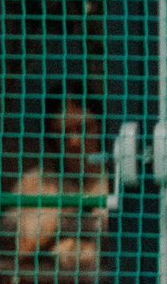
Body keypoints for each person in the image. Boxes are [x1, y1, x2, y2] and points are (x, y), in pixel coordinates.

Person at [8, 92, 108, 274]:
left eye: (84, 128)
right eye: (64, 133)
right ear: (51, 138)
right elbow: (23, 251)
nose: (75, 141)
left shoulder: (114, 179)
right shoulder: (36, 183)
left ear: (100, 128)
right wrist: (66, 218)